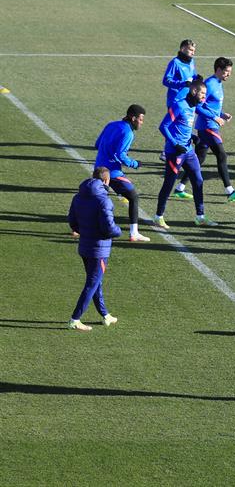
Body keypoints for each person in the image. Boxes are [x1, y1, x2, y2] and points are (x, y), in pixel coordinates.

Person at [154, 79, 217, 229]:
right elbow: (163, 126)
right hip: (175, 152)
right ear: (194, 91)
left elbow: (184, 127)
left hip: (188, 151)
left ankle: (200, 216)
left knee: (198, 181)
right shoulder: (179, 105)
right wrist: (175, 144)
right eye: (202, 94)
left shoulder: (193, 106)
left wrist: (193, 138)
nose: (204, 97)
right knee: (169, 184)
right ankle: (158, 216)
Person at [67, 167, 121, 331]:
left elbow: (72, 222)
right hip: (99, 250)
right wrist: (119, 231)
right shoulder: (104, 201)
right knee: (92, 283)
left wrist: (85, 232)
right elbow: (109, 228)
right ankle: (75, 319)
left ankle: (105, 315)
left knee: (96, 281)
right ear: (106, 181)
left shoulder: (78, 197)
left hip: (85, 246)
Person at [193, 57, 235, 203]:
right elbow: (198, 107)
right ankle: (230, 191)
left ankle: (179, 188)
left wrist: (221, 114)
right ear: (218, 70)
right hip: (207, 126)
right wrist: (214, 117)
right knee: (222, 155)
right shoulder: (210, 84)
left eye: (230, 72)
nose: (228, 74)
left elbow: (211, 106)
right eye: (226, 71)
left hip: (210, 124)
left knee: (199, 159)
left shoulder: (218, 83)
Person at [94, 104, 149, 242]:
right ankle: (134, 233)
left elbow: (97, 144)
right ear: (133, 118)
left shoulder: (111, 124)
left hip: (98, 170)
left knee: (96, 198)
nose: (141, 123)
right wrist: (135, 163)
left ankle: (80, 227)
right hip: (112, 173)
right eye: (141, 119)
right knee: (133, 197)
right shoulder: (128, 133)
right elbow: (121, 155)